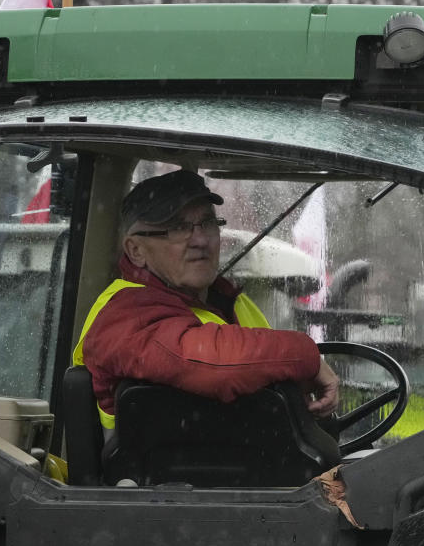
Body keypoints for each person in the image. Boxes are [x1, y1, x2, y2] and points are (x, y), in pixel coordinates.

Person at [72, 169, 339, 436]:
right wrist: (306, 357)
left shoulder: (233, 302)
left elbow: (260, 371)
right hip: (153, 477)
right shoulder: (122, 312)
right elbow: (216, 366)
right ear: (136, 250)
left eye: (208, 223)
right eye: (178, 228)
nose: (200, 240)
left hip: (253, 468)